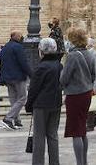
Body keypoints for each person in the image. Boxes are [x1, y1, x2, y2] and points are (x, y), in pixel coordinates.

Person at [61, 26, 96, 165]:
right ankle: (84, 161)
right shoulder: (90, 54)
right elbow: (93, 75)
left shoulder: (72, 56)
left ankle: (80, 162)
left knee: (75, 130)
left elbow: (64, 78)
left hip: (74, 95)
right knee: (82, 128)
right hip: (86, 94)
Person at [26, 37, 64, 165]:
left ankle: (38, 162)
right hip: (56, 103)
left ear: (41, 51)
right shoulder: (59, 65)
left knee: (39, 136)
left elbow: (34, 88)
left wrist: (29, 104)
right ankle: (55, 162)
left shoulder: (41, 67)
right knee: (53, 135)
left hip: (41, 105)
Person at [0, 30, 33, 130]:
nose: (22, 38)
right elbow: (23, 62)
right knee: (23, 98)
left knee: (14, 100)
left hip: (8, 78)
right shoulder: (18, 47)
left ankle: (17, 121)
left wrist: (2, 77)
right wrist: (31, 74)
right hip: (18, 77)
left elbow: (2, 63)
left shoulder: (5, 47)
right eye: (20, 36)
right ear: (16, 37)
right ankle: (8, 118)